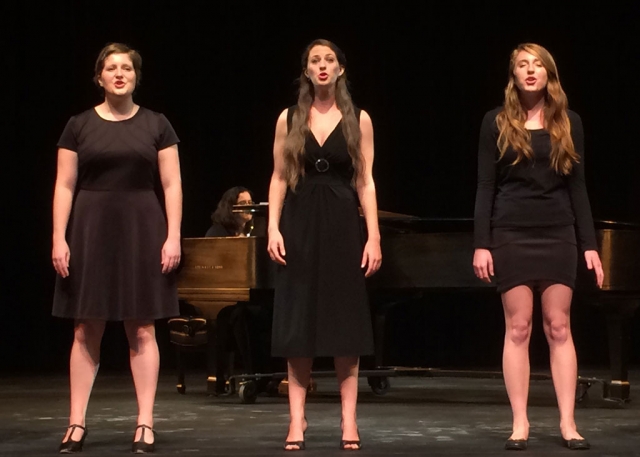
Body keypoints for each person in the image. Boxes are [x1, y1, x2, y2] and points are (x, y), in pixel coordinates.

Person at [51, 42, 182, 454]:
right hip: (90, 229)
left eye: (127, 68)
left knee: (141, 326)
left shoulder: (157, 124)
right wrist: (58, 236)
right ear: (100, 77)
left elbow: (172, 184)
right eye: (112, 68)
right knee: (86, 326)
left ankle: (145, 422)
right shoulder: (78, 125)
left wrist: (173, 234)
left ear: (136, 77)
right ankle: (76, 422)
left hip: (142, 228)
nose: (119, 74)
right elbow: (65, 184)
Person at [473, 43, 604, 451]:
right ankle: (520, 423)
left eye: (538, 65)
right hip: (511, 232)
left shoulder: (570, 122)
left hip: (558, 231)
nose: (531, 72)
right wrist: (482, 243)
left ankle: (567, 423)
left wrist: (590, 244)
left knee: (559, 326)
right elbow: (485, 186)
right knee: (519, 327)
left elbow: (578, 187)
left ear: (550, 73)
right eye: (522, 66)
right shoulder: (494, 122)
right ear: (513, 76)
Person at [267, 38, 382, 451]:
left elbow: (365, 180)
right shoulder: (289, 118)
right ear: (306, 70)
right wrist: (273, 227)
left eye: (329, 60)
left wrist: (374, 235)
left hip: (341, 225)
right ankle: (297, 420)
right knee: (298, 323)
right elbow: (279, 177)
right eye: (315, 60)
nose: (322, 65)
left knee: (344, 323)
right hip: (298, 223)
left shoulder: (358, 119)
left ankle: (348, 420)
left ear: (340, 70)